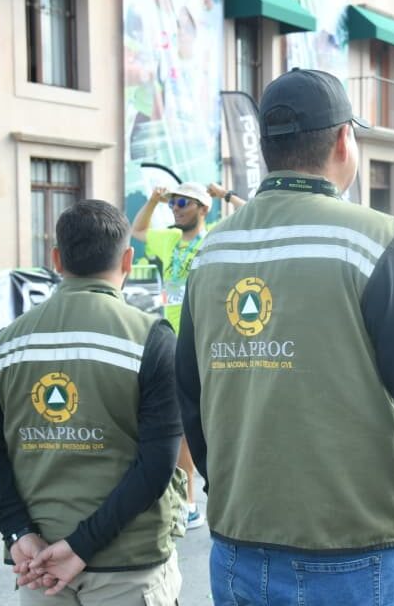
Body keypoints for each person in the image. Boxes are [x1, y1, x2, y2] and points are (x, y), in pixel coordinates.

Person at [176, 68, 394, 604]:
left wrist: (229, 491)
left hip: (238, 541)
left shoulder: (212, 251)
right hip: (351, 546)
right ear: (342, 140)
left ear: (266, 148)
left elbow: (190, 395)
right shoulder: (372, 241)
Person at [0, 200, 184, 605]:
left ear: (57, 259)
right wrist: (82, 545)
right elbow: (156, 464)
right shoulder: (151, 339)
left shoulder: (5, 344)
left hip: (39, 564)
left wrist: (17, 531)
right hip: (127, 565)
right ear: (127, 260)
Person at [130, 181, 223, 530]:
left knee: (215, 421)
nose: (176, 208)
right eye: (173, 203)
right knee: (182, 423)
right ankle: (190, 503)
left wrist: (226, 196)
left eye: (183, 202)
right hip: (173, 339)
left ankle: (219, 494)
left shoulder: (215, 237)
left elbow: (255, 216)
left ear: (203, 208)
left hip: (207, 338)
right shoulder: (169, 239)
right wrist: (154, 200)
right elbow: (138, 230)